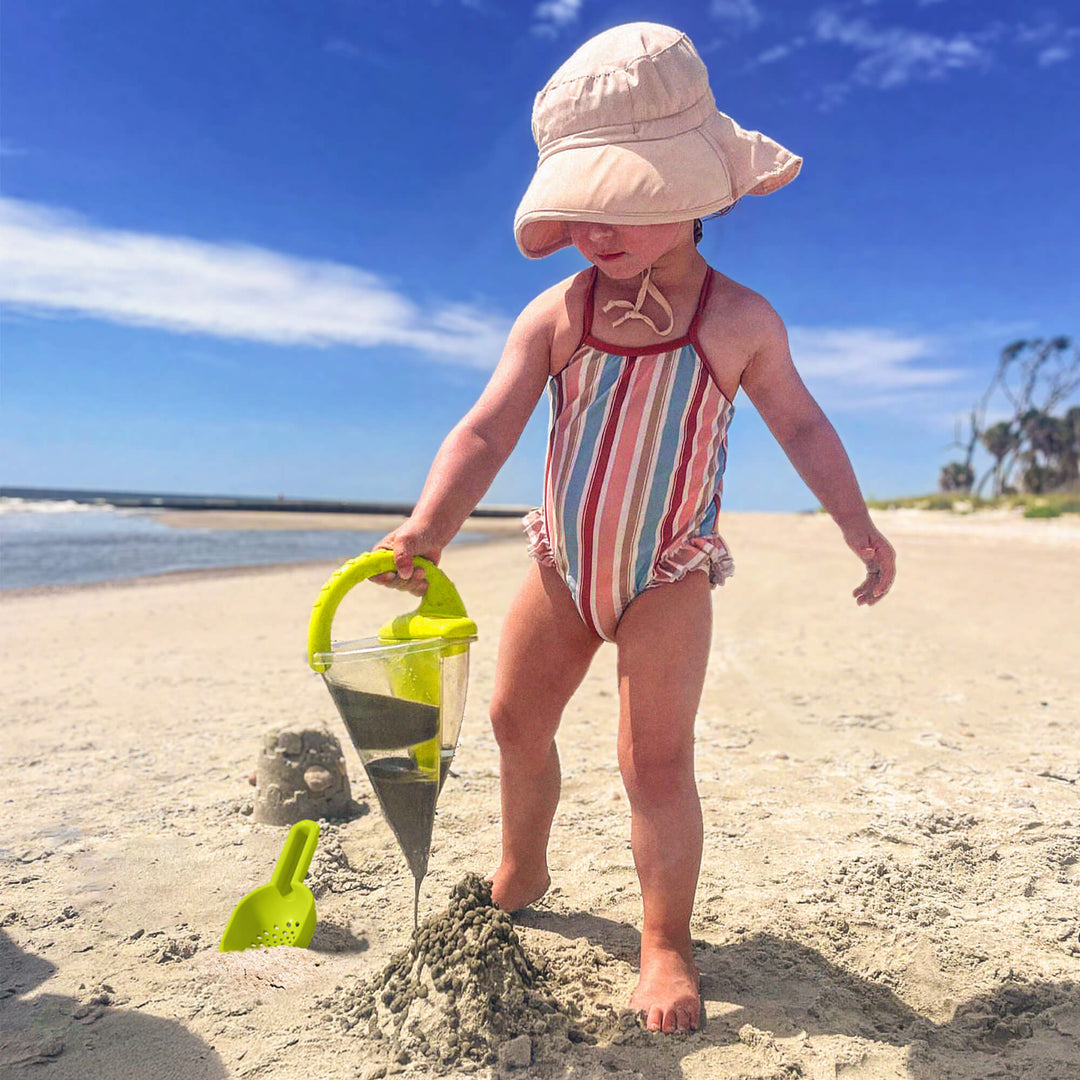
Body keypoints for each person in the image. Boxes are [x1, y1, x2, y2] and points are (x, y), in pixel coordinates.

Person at [376, 22, 896, 1034]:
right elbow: (486, 429)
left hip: (666, 572)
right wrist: (428, 528)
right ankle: (523, 861)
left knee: (653, 764)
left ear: (694, 196)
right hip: (564, 565)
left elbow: (804, 425)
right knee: (514, 721)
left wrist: (859, 529)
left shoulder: (739, 320)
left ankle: (664, 942)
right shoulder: (559, 313)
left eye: (622, 202)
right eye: (578, 208)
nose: (594, 229)